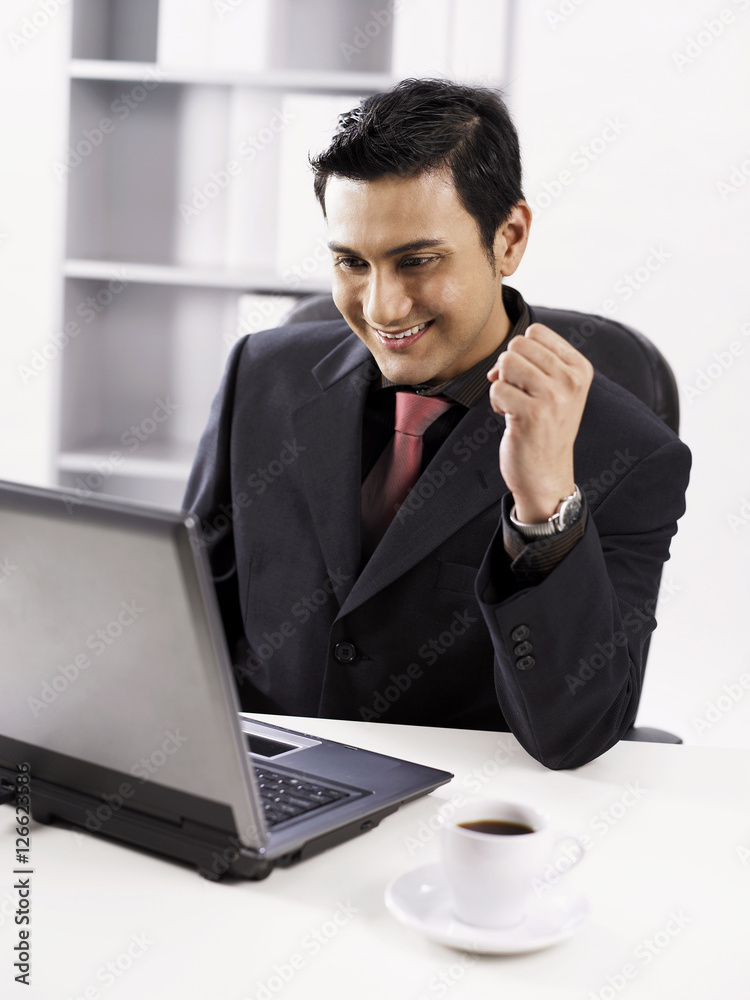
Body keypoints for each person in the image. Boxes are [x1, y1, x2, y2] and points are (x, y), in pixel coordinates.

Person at [184, 78, 691, 769]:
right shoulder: (261, 373)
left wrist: (544, 507)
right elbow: (189, 609)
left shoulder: (629, 451)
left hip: (458, 803)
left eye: (417, 261)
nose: (383, 308)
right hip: (265, 778)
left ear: (508, 238)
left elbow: (575, 733)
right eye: (351, 262)